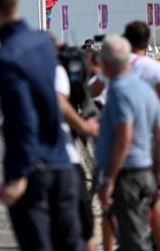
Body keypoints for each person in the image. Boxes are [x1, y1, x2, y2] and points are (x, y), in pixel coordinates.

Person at [0, 0, 83, 251]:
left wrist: (19, 176)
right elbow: (21, 62)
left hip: (33, 174)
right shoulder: (41, 43)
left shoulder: (8, 58)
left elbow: (24, 118)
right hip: (62, 165)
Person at [90, 21, 160, 251]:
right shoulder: (149, 83)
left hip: (127, 171)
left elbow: (124, 138)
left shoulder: (117, 89)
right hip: (147, 164)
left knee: (132, 238)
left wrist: (110, 179)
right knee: (150, 212)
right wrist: (157, 175)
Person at [55, 61, 98, 251]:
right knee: (85, 228)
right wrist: (82, 125)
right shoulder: (60, 77)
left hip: (39, 168)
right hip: (66, 164)